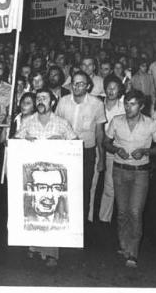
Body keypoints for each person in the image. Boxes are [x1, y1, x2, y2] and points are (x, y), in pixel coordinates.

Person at [103, 89, 156, 268]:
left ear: (141, 106)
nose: (128, 107)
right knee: (122, 211)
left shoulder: (151, 123)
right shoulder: (116, 121)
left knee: (135, 211)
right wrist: (116, 150)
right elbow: (105, 142)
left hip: (140, 172)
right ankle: (124, 245)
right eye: (126, 103)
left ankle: (133, 252)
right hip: (119, 171)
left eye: (132, 104)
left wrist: (146, 151)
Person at [15, 87, 77, 267]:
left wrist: (63, 143)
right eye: (38, 98)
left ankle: (51, 252)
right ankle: (34, 245)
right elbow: (15, 141)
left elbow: (75, 145)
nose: (41, 101)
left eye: (45, 98)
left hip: (54, 178)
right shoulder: (28, 122)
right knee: (35, 208)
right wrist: (24, 142)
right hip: (34, 178)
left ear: (52, 102)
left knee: (53, 211)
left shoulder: (62, 123)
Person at [56, 71, 106, 232]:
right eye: (74, 83)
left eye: (81, 84)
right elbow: (56, 127)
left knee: (83, 190)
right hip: (65, 152)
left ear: (88, 86)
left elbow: (99, 133)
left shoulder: (97, 104)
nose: (77, 87)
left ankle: (80, 229)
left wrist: (102, 158)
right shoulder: (63, 102)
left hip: (87, 152)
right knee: (64, 189)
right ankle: (64, 226)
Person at [89, 74, 125, 223]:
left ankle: (104, 218)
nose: (111, 91)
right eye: (108, 88)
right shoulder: (97, 105)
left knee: (110, 186)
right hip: (96, 148)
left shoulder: (123, 108)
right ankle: (88, 216)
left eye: (114, 88)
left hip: (112, 149)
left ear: (119, 90)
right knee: (92, 184)